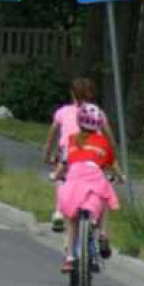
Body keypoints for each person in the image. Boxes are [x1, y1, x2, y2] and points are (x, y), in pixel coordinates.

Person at [55, 103, 123, 274]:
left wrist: (56, 175)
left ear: (79, 122)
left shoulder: (71, 140)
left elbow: (63, 164)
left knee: (72, 221)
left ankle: (70, 258)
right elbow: (111, 164)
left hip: (74, 181)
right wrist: (121, 177)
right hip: (94, 178)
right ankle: (102, 232)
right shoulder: (103, 143)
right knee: (105, 195)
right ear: (99, 124)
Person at [44, 77, 104, 232]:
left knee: (61, 177)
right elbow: (104, 135)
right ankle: (95, 218)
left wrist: (47, 154)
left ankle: (58, 212)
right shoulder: (96, 113)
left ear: (72, 93)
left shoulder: (63, 111)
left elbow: (52, 135)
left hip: (68, 151)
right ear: (91, 94)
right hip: (91, 151)